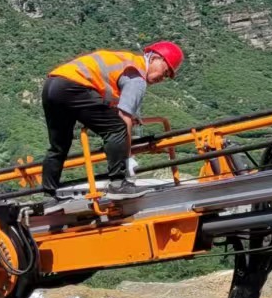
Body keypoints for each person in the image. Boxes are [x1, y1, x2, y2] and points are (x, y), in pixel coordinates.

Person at [41, 42, 184, 197]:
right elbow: (124, 118)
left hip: (52, 85)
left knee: (59, 146)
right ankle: (118, 184)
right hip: (74, 86)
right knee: (117, 128)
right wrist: (127, 158)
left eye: (167, 76)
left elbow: (109, 98)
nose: (163, 78)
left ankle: (49, 194)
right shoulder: (137, 76)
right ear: (155, 58)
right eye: (165, 71)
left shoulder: (127, 62)